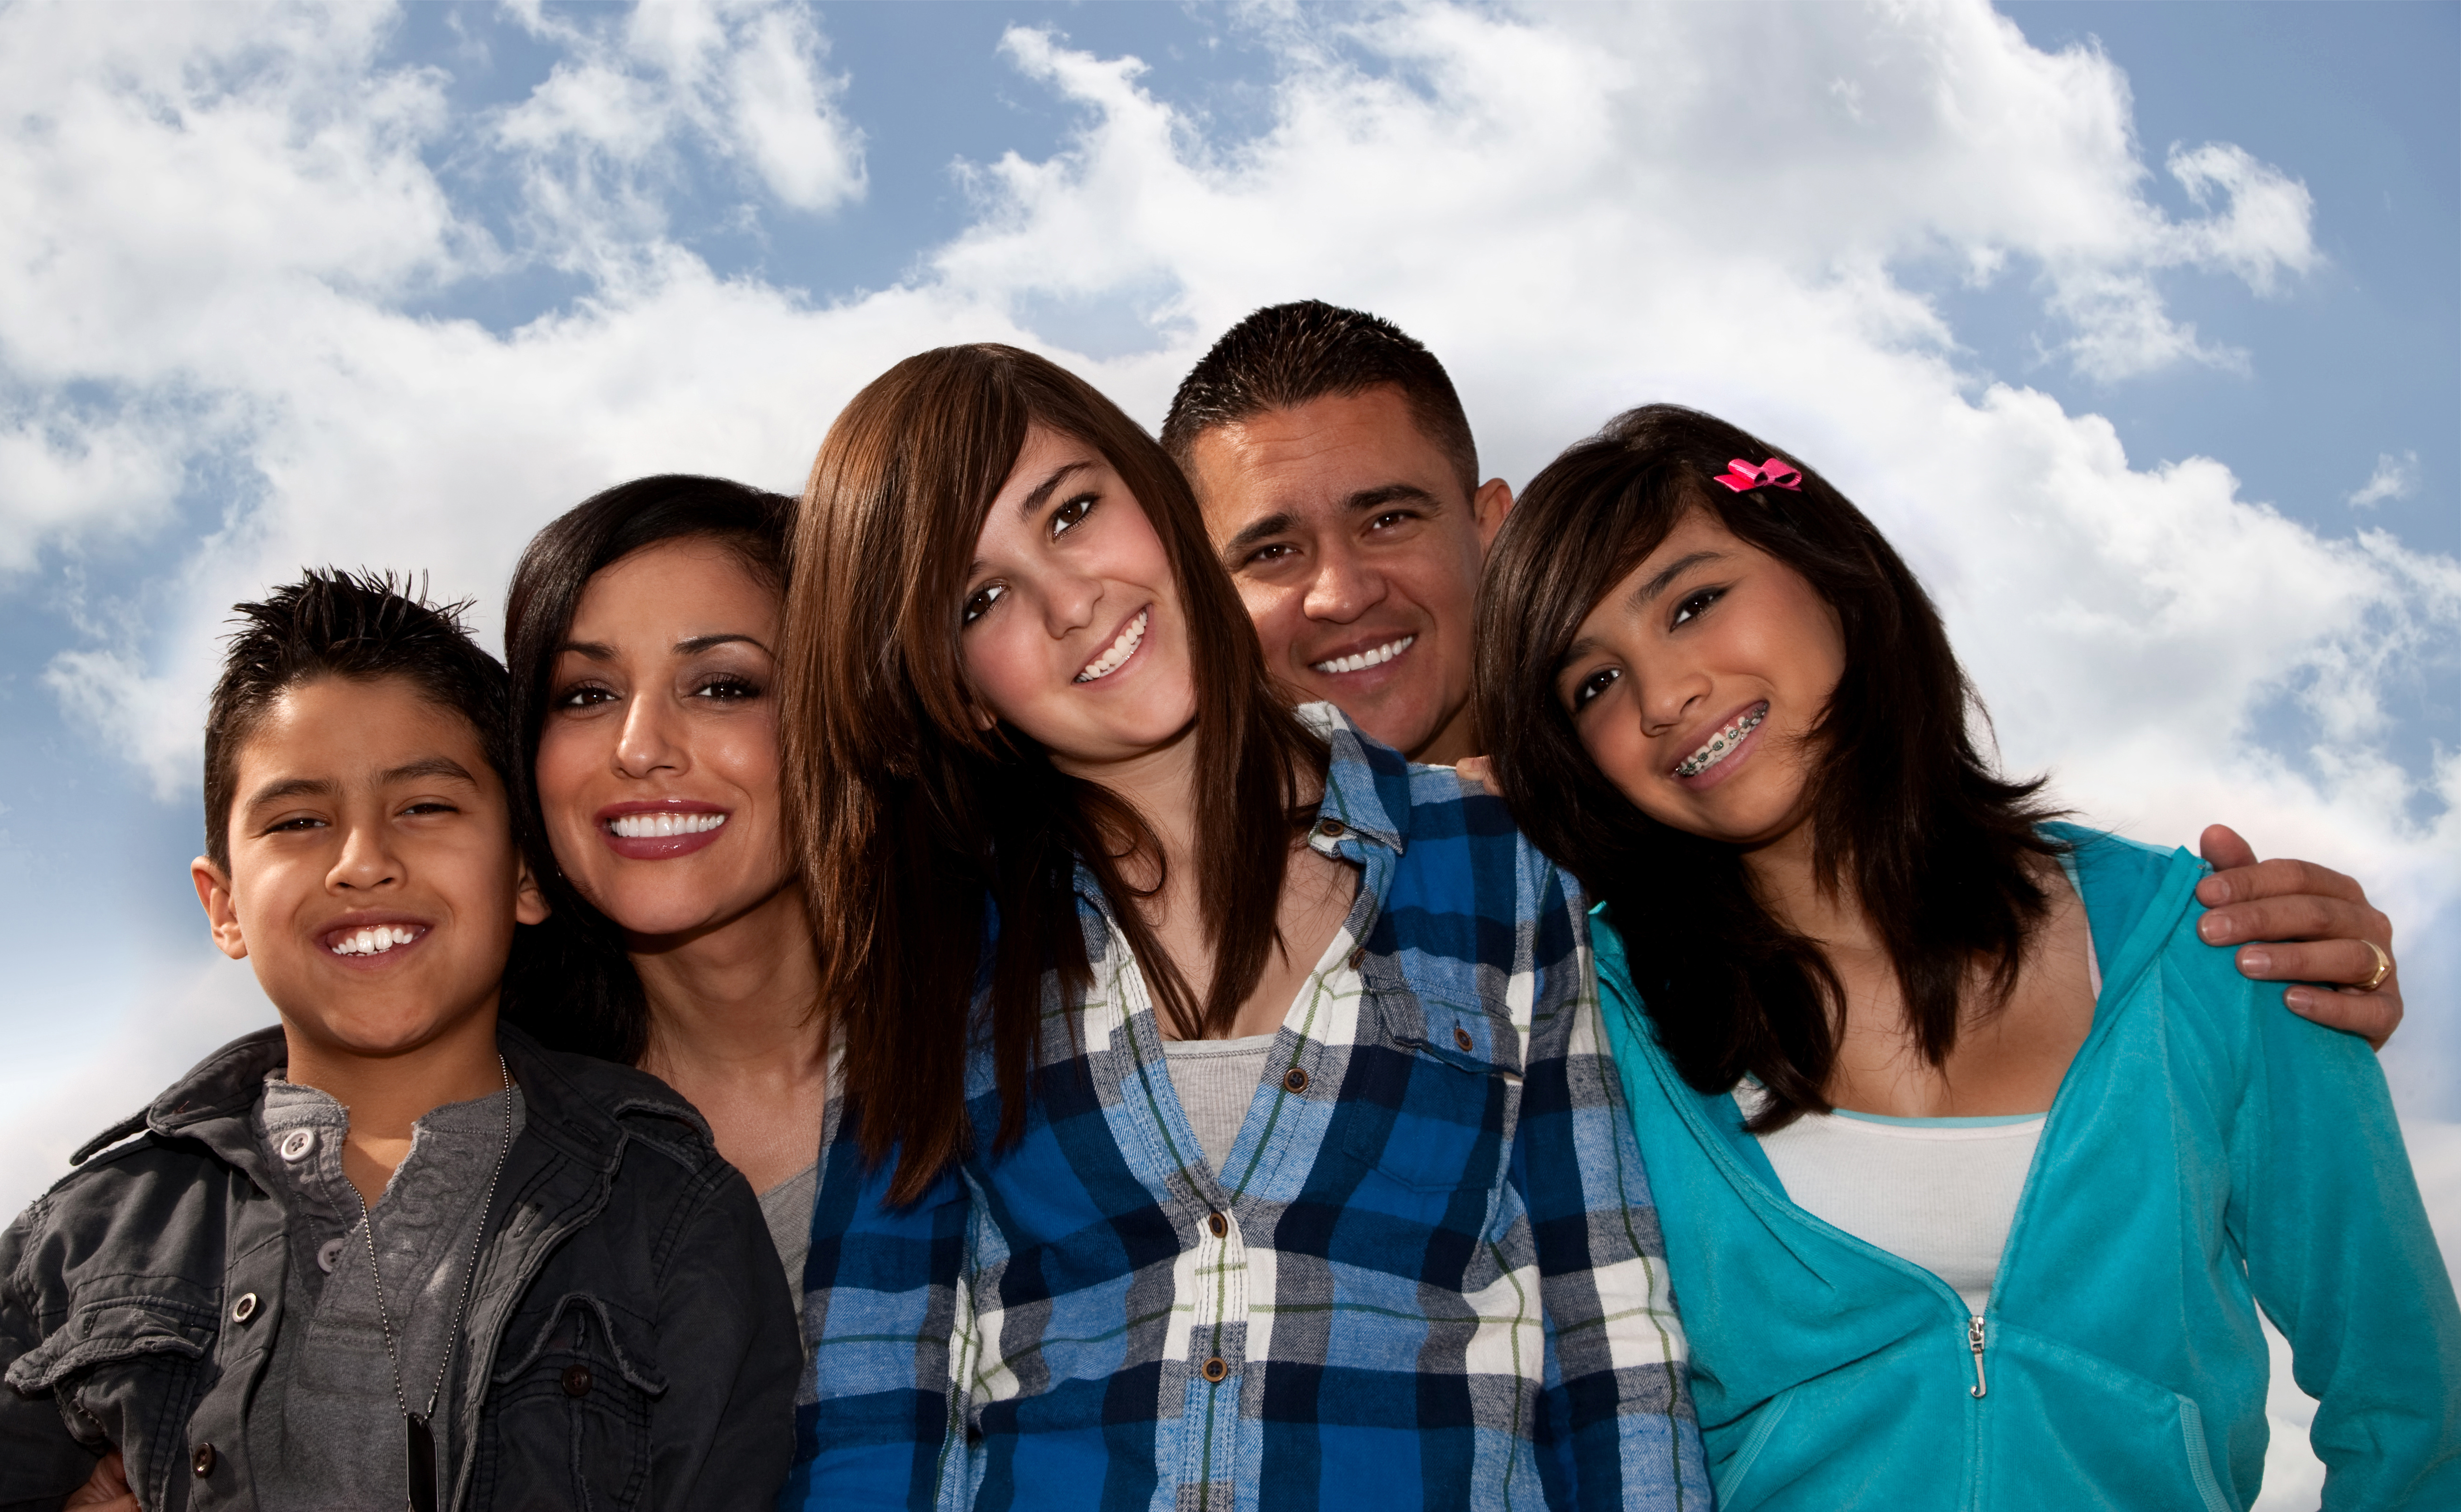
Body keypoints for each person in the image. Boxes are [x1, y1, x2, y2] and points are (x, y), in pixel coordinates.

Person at [1471, 405, 2460, 1508]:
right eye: (1592, 684)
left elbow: (2413, 1411)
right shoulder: (1589, 1023)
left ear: (1830, 567)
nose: (1663, 698)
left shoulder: (2206, 942)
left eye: (1695, 603)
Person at [779, 344, 1706, 1510]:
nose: (1071, 604)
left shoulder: (1497, 859)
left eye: (1071, 513)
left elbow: (1607, 1336)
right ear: (957, 683)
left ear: (1158, 503)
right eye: (982, 598)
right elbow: (875, 1399)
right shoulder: (933, 951)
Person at [1161, 299, 2410, 1045]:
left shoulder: (1690, 788)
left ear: (1493, 526)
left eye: (1390, 520)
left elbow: (1967, 918)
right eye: (1271, 550)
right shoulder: (1146, 894)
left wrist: (2259, 984)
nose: (1339, 591)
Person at [0, 570, 800, 1512]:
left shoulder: (667, 1213)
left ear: (528, 873)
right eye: (299, 822)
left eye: (425, 807)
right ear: (224, 906)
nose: (363, 860)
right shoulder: (72, 1249)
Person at [499, 475, 833, 1310]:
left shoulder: (1030, 1040)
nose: (639, 747)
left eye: (723, 687)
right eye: (586, 695)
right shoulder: (496, 1144)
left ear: (844, 716)